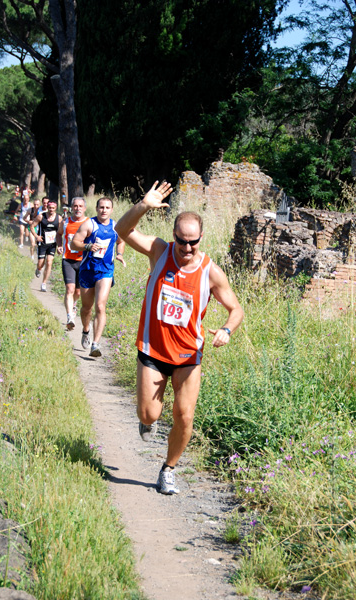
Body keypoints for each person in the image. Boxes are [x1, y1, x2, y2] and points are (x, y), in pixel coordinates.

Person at [115, 181, 244, 495]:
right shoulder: (159, 250)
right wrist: (143, 205)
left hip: (188, 354)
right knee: (149, 414)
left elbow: (236, 308)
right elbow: (122, 230)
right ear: (173, 236)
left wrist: (227, 330)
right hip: (153, 348)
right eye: (182, 242)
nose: (187, 249)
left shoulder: (210, 272)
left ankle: (168, 469)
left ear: (201, 239)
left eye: (194, 243)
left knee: (184, 416)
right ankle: (148, 420)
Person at [70, 196, 126, 357]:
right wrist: (87, 246)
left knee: (100, 306)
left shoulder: (116, 226)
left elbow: (121, 241)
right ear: (96, 208)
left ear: (112, 210)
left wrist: (120, 254)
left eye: (107, 208)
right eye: (101, 207)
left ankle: (95, 344)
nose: (104, 210)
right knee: (86, 308)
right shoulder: (89, 224)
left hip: (106, 270)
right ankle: (86, 331)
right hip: (88, 270)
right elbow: (74, 243)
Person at [56, 196, 89, 330]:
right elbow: (59, 234)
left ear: (85, 208)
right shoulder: (65, 223)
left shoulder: (89, 223)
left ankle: (74, 304)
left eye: (80, 206)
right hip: (68, 260)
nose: (78, 209)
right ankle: (70, 316)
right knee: (69, 289)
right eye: (75, 206)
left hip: (83, 261)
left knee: (78, 292)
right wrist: (59, 245)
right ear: (71, 208)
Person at [30, 199, 62, 292]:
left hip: (52, 244)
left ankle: (44, 283)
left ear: (56, 208)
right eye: (49, 208)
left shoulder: (59, 218)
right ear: (47, 207)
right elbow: (32, 226)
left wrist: (60, 245)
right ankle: (38, 268)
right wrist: (36, 236)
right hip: (42, 243)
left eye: (53, 208)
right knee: (41, 264)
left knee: (49, 262)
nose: (51, 209)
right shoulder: (41, 216)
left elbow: (61, 232)